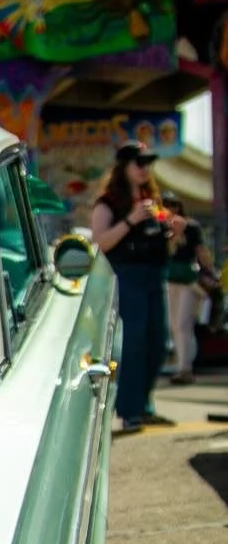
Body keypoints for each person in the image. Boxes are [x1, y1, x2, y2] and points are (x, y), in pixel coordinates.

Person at [88, 144, 185, 432]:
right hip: (126, 276)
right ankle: (131, 410)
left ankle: (144, 405)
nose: (144, 168)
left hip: (154, 275)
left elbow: (164, 243)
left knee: (158, 342)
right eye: (138, 163)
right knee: (134, 343)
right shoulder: (109, 202)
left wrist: (173, 232)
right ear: (125, 166)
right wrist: (131, 219)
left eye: (148, 163)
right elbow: (100, 241)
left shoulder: (151, 201)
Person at [161, 192, 218, 382]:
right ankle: (182, 364)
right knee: (173, 325)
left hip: (188, 281)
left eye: (172, 205)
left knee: (183, 324)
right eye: (165, 205)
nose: (170, 209)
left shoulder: (191, 227)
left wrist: (210, 273)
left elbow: (201, 252)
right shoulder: (162, 227)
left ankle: (185, 368)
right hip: (169, 279)